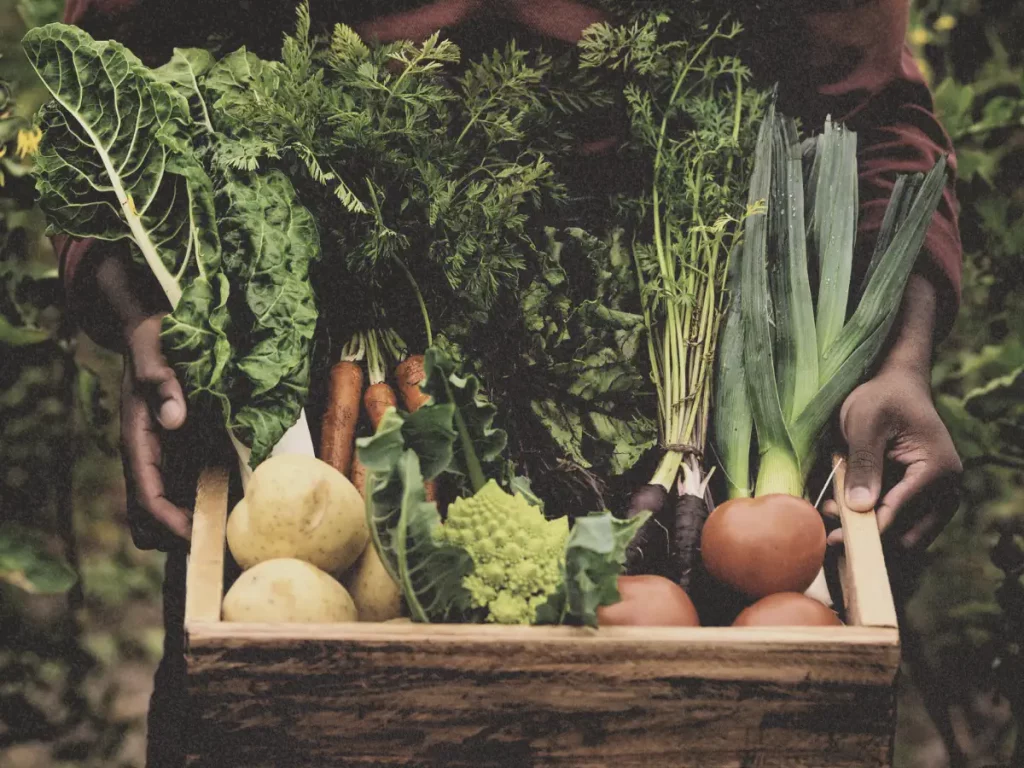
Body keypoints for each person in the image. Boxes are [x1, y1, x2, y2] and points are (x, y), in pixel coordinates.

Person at [55, 1, 964, 765]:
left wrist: (901, 357)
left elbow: (872, 112)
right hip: (321, 365)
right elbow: (121, 80)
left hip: (658, 357)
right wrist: (146, 316)